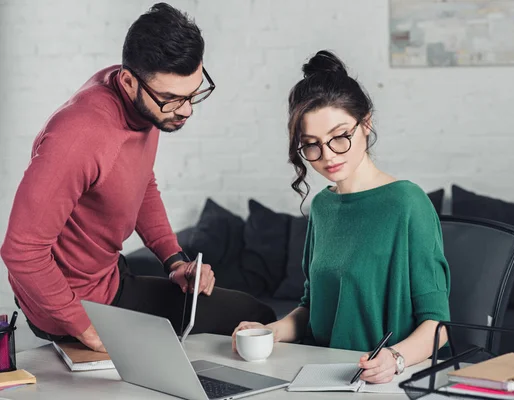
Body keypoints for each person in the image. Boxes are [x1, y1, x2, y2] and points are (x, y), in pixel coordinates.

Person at [0, 3, 275, 353]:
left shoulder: (142, 98)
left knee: (255, 316)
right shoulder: (78, 137)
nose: (186, 110)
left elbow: (141, 184)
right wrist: (85, 328)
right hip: (69, 307)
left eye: (192, 94)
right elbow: (21, 251)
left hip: (111, 281)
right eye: (172, 99)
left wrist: (174, 261)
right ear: (129, 82)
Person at [232, 50, 450, 384]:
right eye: (312, 145)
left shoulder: (407, 202)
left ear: (366, 124)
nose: (328, 156)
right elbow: (311, 309)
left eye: (340, 137)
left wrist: (396, 359)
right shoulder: (322, 206)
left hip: (380, 381)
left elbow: (439, 326)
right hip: (319, 374)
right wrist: (269, 331)